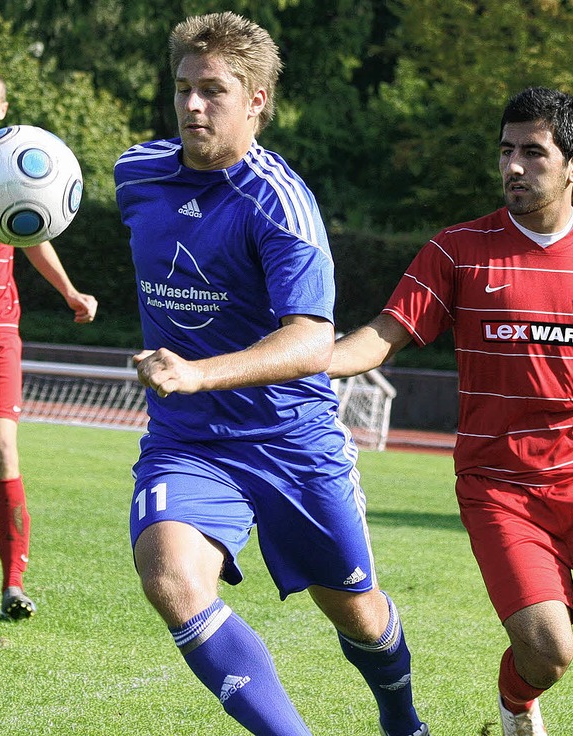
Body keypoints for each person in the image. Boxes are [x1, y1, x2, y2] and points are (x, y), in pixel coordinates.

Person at [115, 12, 429, 736]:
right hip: (188, 442)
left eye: (213, 91)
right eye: (183, 88)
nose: (193, 105)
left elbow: (311, 342)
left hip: (291, 440)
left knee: (357, 612)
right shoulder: (136, 174)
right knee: (168, 574)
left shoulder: (281, 204)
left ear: (256, 97)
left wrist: (195, 372)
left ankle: (402, 719)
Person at [329, 86, 573, 736]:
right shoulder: (456, 251)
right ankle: (515, 705)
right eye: (506, 151)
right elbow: (377, 339)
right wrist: (284, 361)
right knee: (548, 651)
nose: (513, 167)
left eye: (533, 154)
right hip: (501, 492)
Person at [0, 66, 98, 620]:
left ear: (2, 110)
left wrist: (69, 291)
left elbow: (34, 235)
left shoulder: (8, 166)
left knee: (2, 450)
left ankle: (14, 583)